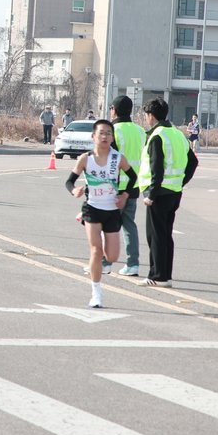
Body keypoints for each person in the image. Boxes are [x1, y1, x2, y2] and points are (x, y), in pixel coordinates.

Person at [65, 119, 136, 308]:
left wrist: (124, 195)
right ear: (93, 136)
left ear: (112, 138)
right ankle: (96, 293)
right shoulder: (85, 159)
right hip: (92, 208)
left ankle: (104, 239)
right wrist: (74, 190)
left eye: (108, 133)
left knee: (112, 257)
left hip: (112, 210)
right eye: (101, 133)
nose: (105, 136)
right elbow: (69, 182)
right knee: (96, 251)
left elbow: (133, 177)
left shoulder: (118, 158)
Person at [136, 98, 198, 288]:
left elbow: (157, 168)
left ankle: (157, 276)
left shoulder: (157, 136)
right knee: (165, 235)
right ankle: (165, 275)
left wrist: (151, 195)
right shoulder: (178, 134)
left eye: (147, 115)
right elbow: (193, 162)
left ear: (151, 116)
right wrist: (181, 181)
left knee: (155, 235)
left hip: (158, 194)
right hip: (174, 192)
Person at [110, 96, 147, 277]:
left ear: (114, 110)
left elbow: (110, 159)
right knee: (129, 225)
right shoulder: (140, 131)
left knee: (108, 225)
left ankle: (104, 262)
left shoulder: (112, 130)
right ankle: (133, 264)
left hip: (116, 185)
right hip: (134, 185)